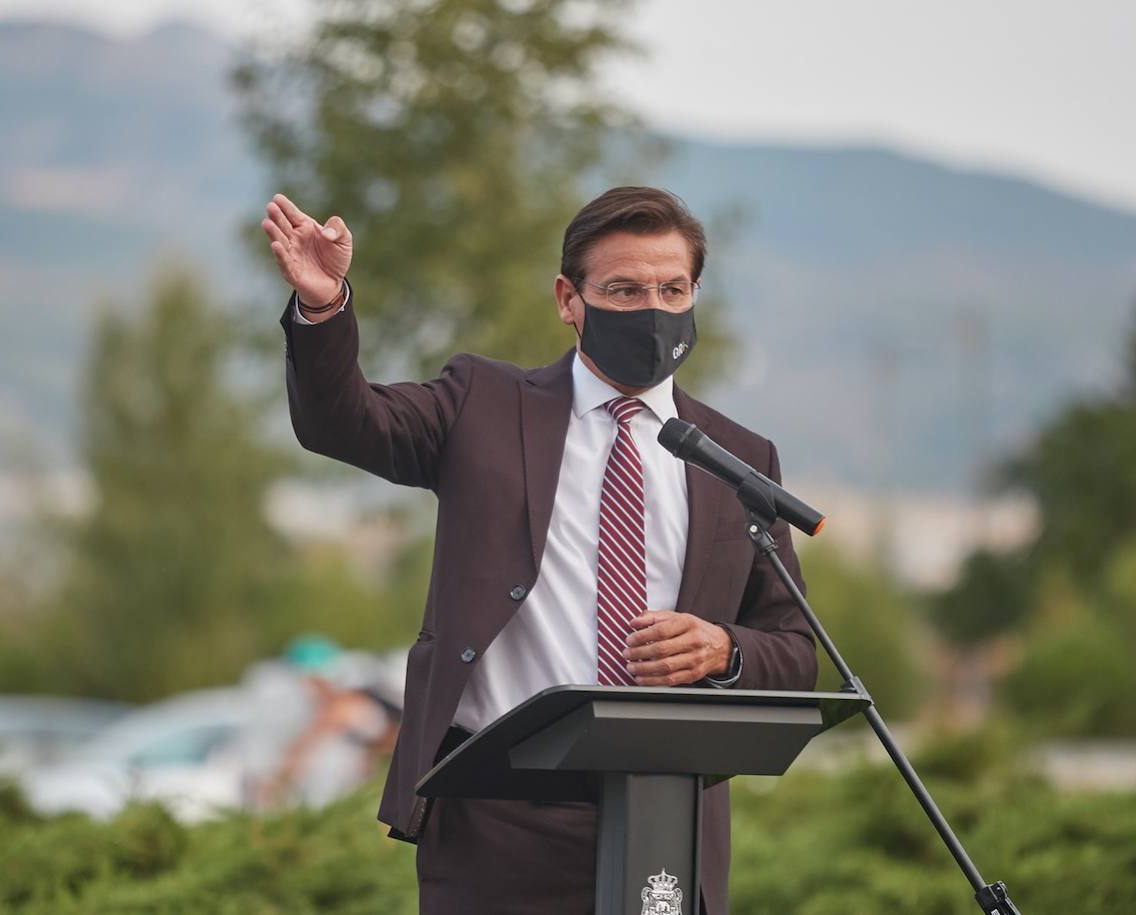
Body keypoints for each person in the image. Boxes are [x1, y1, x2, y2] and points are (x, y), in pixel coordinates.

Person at [262, 186, 817, 915]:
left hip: (667, 820)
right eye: (623, 288)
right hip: (499, 814)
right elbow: (346, 421)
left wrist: (723, 649)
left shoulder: (738, 457)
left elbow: (796, 648)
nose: (652, 306)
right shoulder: (482, 405)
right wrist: (324, 308)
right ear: (568, 297)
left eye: (671, 287)